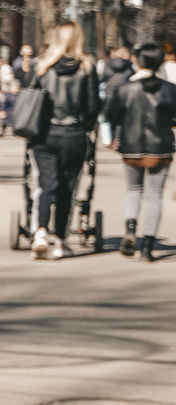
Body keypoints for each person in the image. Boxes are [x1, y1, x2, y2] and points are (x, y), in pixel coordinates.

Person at [25, 26, 99, 262]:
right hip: (74, 133)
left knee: (46, 184)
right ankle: (61, 240)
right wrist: (88, 124)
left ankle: (40, 232)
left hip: (44, 134)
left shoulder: (42, 66)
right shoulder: (86, 67)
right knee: (68, 188)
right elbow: (92, 105)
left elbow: (29, 99)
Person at [106, 41, 173, 260]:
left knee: (133, 190)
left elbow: (112, 116)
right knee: (154, 196)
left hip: (131, 148)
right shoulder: (170, 89)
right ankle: (147, 248)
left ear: (137, 60)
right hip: (160, 149)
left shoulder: (125, 89)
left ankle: (131, 229)